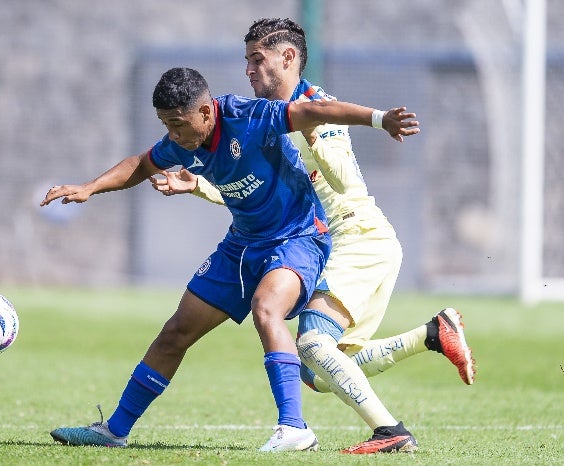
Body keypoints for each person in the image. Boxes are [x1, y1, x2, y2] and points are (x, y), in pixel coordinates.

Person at [41, 66, 419, 452]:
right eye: (165, 124)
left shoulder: (249, 117)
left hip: (298, 237)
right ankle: (114, 432)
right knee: (176, 331)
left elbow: (317, 111)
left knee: (266, 307)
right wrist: (89, 188)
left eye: (177, 123)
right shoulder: (182, 142)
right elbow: (141, 164)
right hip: (241, 246)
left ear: (206, 113)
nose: (172, 134)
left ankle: (295, 429)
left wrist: (380, 119)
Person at [150, 18, 474, 454]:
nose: (248, 70)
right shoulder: (264, 118)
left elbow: (341, 178)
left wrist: (316, 134)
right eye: (246, 60)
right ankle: (432, 334)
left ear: (288, 58)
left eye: (256, 59)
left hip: (358, 238)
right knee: (318, 370)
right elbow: (259, 194)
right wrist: (199, 185)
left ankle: (391, 432)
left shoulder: (316, 107)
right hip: (327, 243)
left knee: (313, 342)